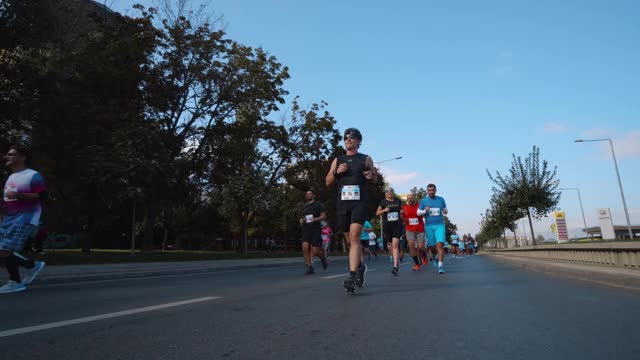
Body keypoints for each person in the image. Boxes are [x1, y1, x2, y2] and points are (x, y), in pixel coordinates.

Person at [326, 128, 377, 293]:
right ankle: (360, 267)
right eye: (346, 138)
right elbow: (328, 182)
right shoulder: (338, 160)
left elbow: (375, 177)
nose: (348, 140)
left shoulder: (365, 158)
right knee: (349, 242)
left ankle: (351, 275)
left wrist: (370, 176)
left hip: (359, 203)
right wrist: (335, 172)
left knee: (355, 238)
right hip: (343, 204)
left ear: (358, 141)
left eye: (352, 137)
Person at [0, 145, 47, 293]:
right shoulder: (11, 177)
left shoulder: (33, 175)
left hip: (26, 217)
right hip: (9, 218)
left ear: (22, 157)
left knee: (4, 249)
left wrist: (20, 195)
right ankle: (31, 266)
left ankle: (17, 281)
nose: (6, 156)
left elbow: (43, 196)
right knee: (4, 249)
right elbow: (8, 200)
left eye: (11, 154)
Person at [417, 183, 448, 274]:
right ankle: (434, 256)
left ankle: (440, 266)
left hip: (439, 225)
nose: (431, 192)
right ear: (427, 191)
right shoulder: (423, 201)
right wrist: (424, 210)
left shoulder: (441, 199)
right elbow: (418, 213)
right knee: (432, 247)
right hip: (429, 226)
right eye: (429, 190)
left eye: (432, 190)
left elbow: (445, 210)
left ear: (435, 190)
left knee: (440, 245)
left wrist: (445, 211)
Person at [299, 190, 328, 275]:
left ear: (313, 195)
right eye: (307, 194)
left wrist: (315, 219)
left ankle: (323, 258)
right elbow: (303, 217)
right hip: (306, 229)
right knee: (305, 248)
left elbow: (324, 216)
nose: (308, 195)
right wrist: (301, 220)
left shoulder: (318, 205)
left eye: (310, 193)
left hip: (315, 229)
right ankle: (310, 267)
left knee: (315, 251)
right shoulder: (304, 206)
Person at [376, 187, 403, 276]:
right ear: (385, 194)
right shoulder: (383, 202)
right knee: (391, 245)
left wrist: (402, 212)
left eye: (391, 191)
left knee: (395, 245)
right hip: (387, 226)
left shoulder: (397, 201)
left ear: (393, 192)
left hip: (397, 225)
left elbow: (401, 210)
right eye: (387, 191)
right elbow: (377, 213)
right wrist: (384, 210)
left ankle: (395, 266)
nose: (390, 193)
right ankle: (395, 261)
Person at [403, 193, 427, 271]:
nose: (410, 199)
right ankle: (417, 264)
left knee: (420, 247)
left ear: (414, 198)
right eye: (409, 198)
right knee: (411, 245)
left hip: (420, 229)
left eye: (412, 198)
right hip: (409, 229)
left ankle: (424, 255)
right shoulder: (404, 207)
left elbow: (425, 213)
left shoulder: (419, 206)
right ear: (407, 199)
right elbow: (402, 218)